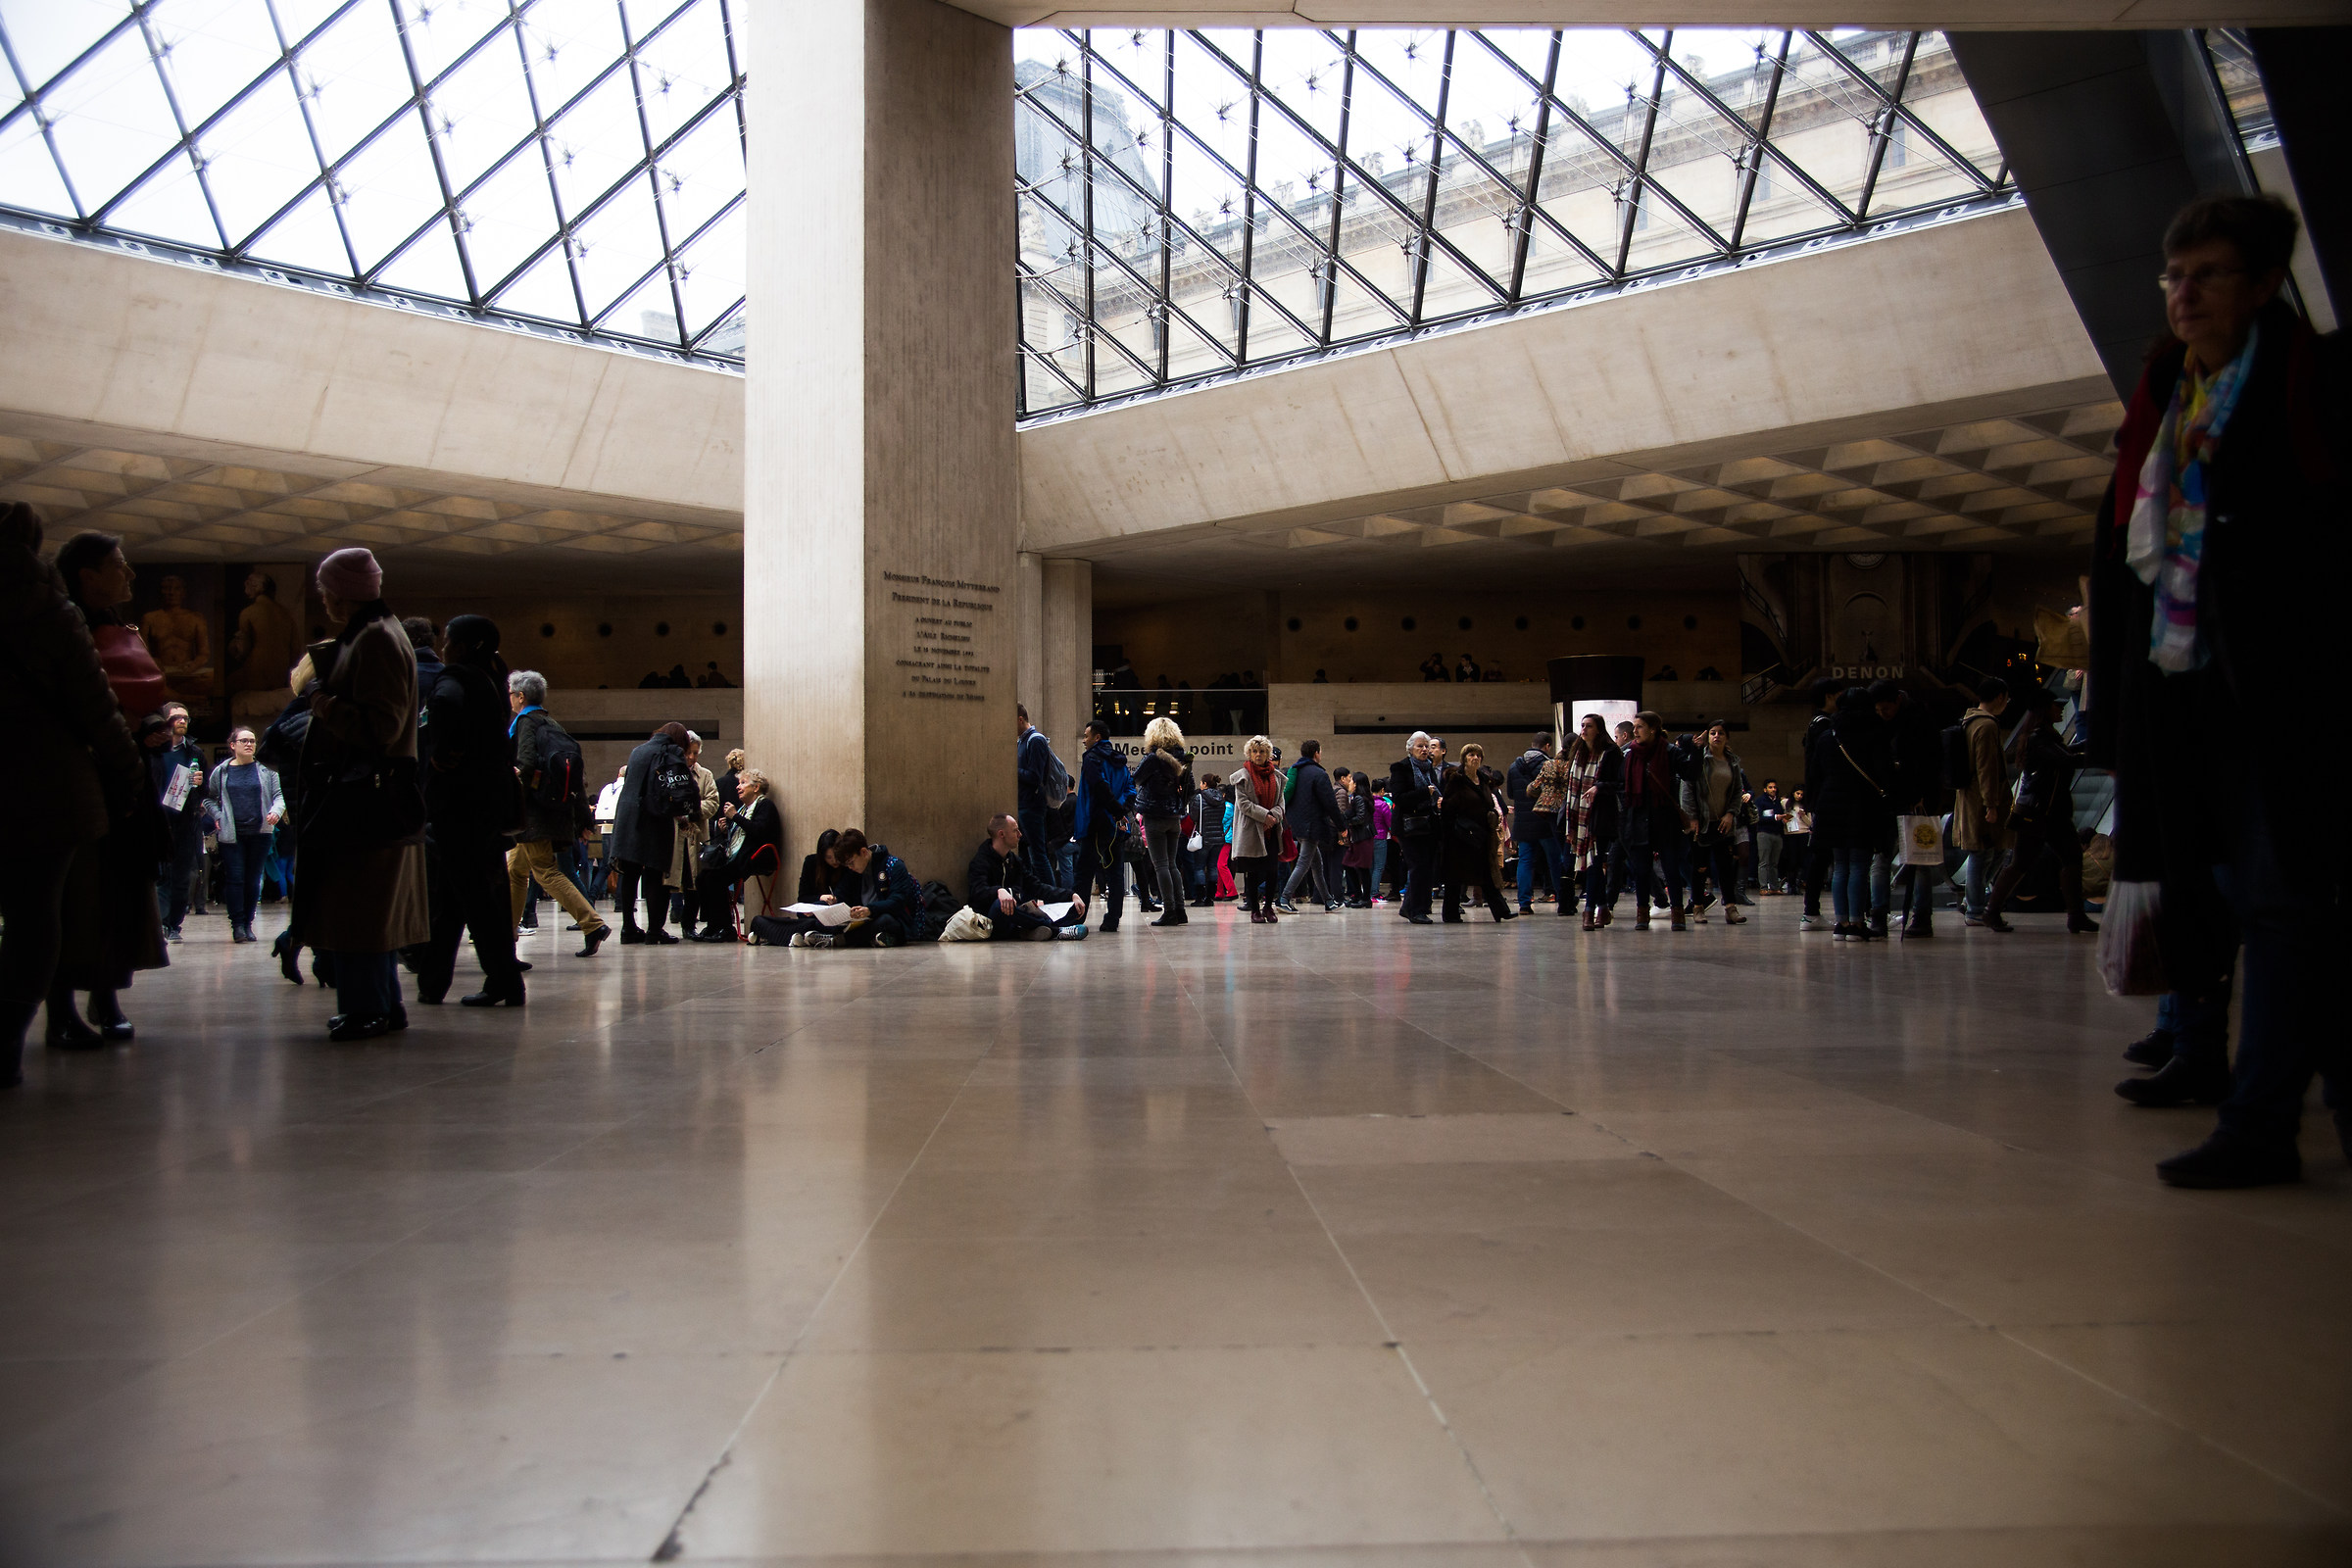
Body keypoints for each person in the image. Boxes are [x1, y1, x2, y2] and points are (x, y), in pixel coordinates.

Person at [2082, 194, 2348, 1188]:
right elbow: (2125, 552)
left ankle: (2260, 1121)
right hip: (2188, 691)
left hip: (2286, 694)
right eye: (2173, 278)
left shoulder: (2310, 388)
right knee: (2241, 892)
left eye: (2208, 277)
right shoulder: (2169, 391)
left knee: (2279, 902)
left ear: (2267, 284)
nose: (2184, 297)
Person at [0, 504, 147, 1085]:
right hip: (45, 788)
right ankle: (5, 1040)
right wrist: (128, 769)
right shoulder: (50, 611)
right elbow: (95, 704)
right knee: (37, 916)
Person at [293, 547, 428, 1041]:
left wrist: (320, 700)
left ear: (341, 594)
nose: (322, 599)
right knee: (368, 906)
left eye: (325, 590)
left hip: (367, 796)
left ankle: (367, 1007)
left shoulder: (374, 640)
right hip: (371, 793)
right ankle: (379, 1004)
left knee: (361, 905)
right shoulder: (376, 633)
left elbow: (381, 724)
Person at [51, 530, 169, 1048]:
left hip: (123, 767)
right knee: (79, 891)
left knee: (118, 883)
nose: (131, 574)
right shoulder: (61, 626)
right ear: (87, 576)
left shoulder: (118, 624)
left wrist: (152, 721)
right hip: (85, 772)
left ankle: (106, 991)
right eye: (119, 565)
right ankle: (65, 1004)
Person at [413, 617, 529, 1005]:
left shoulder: (456, 679)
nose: (443, 647)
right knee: (456, 891)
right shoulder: (494, 679)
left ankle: (504, 981)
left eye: (448, 641)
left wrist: (445, 751)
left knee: (475, 895)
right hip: (488, 800)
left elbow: (442, 708)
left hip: (458, 801)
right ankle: (432, 981)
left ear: (463, 646)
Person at [505, 671, 611, 957]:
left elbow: (524, 766)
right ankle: (507, 936)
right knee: (515, 870)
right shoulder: (553, 724)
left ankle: (593, 924)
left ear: (521, 696)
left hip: (532, 814)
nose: (510, 698)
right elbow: (577, 778)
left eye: (511, 694)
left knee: (546, 871)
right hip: (553, 812)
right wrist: (581, 819)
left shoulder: (525, 722)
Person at [1981, 690, 2097, 936]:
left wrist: (2087, 746)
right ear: (2045, 709)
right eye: (2056, 706)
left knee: (2070, 858)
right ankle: (1991, 911)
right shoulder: (2038, 737)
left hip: (2049, 812)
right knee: (2024, 863)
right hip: (2039, 813)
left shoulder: (2045, 736)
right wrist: (2095, 754)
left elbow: (2065, 752)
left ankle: (2075, 916)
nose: (2061, 710)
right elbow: (2064, 759)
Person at [1812, 688, 1895, 943]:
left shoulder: (1828, 736)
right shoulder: (1874, 734)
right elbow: (1884, 772)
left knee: (1840, 866)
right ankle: (1858, 924)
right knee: (1859, 864)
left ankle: (1841, 922)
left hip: (1830, 806)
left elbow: (1815, 773)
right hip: (1862, 805)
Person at [611, 721, 693, 944]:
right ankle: (655, 930)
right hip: (654, 817)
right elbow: (673, 788)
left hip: (628, 816)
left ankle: (628, 929)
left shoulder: (638, 750)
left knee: (629, 874)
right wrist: (682, 812)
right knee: (656, 875)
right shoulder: (671, 751)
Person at [201, 727, 284, 945]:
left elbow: (279, 796)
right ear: (233, 745)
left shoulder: (267, 772)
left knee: (253, 881)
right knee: (235, 879)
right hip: (232, 836)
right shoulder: (221, 771)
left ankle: (248, 923)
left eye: (252, 741)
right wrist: (218, 815)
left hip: (260, 833)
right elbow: (208, 799)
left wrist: (275, 811)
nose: (249, 744)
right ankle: (237, 925)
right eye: (244, 741)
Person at [1618, 711, 1690, 931]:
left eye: (1639, 727)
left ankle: (1677, 913)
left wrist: (1694, 751)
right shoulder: (1630, 755)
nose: (1635, 731)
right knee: (1642, 870)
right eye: (1634, 727)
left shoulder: (1670, 752)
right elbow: (1622, 786)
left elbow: (1690, 774)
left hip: (1665, 818)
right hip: (1638, 818)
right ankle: (1642, 914)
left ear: (1653, 729)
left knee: (1670, 868)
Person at [966, 813, 1087, 940]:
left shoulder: (1014, 861)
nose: (1020, 834)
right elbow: (977, 892)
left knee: (1073, 909)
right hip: (991, 921)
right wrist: (999, 891)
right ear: (1001, 834)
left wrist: (1070, 895)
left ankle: (1026, 931)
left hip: (1016, 916)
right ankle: (1056, 931)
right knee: (1000, 906)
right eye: (1015, 831)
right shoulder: (981, 860)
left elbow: (1037, 886)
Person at [1951, 677, 2013, 925]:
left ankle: (1973, 901)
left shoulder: (1968, 721)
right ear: (2000, 697)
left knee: (1992, 850)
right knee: (1983, 852)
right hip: (1982, 801)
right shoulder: (1987, 726)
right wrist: (1991, 804)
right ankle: (1976, 908)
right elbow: (1986, 767)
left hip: (1969, 798)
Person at [1560, 712, 1624, 930]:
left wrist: (1600, 786)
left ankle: (1589, 911)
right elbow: (1571, 790)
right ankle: (1603, 907)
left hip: (1601, 815)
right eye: (1582, 725)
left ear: (1599, 729)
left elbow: (1620, 783)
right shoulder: (1578, 753)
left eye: (1589, 726)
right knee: (1589, 864)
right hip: (1579, 816)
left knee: (1594, 861)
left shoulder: (1611, 752)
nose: (1584, 729)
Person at [1438, 744, 1513, 922]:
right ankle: (1450, 914)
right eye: (1471, 755)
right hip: (1460, 836)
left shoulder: (1483, 779)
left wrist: (1492, 815)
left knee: (1486, 873)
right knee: (1455, 877)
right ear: (1464, 758)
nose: (1475, 758)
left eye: (1478, 755)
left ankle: (1501, 910)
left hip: (1481, 834)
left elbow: (1489, 804)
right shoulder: (1456, 779)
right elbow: (1448, 807)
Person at [149, 702, 206, 940]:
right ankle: (160, 923)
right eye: (176, 717)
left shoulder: (195, 753)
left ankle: (174, 925)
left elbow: (204, 791)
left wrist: (200, 787)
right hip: (158, 820)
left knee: (183, 875)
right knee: (161, 875)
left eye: (185, 718)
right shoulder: (154, 751)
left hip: (185, 820)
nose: (182, 721)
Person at [1071, 719, 1133, 934]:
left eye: (1086, 736)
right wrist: (1121, 812)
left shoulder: (1091, 758)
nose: (1084, 741)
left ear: (1097, 737)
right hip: (1116, 827)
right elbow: (1131, 789)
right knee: (1115, 873)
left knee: (1084, 873)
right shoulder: (1120, 762)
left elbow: (1098, 787)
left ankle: (1075, 920)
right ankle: (1112, 920)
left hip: (1095, 823)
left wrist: (1114, 811)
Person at [1132, 716, 1194, 928]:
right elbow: (1190, 788)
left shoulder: (1153, 758)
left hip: (1154, 816)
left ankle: (1169, 911)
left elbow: (1136, 778)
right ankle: (1180, 910)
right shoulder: (1183, 757)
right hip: (1173, 817)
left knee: (1161, 866)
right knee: (1172, 864)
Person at [1689, 722, 1751, 927]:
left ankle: (1730, 908)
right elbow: (1687, 788)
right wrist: (1692, 817)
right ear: (1707, 737)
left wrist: (1731, 814)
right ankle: (1698, 906)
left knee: (1725, 867)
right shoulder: (1699, 758)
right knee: (1700, 867)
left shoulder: (1732, 762)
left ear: (1727, 737)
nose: (1717, 736)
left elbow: (1737, 792)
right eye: (1713, 733)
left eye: (1721, 733)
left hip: (1724, 823)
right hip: (1703, 822)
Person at [1228, 736, 1288, 923]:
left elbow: (1281, 803)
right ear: (1249, 753)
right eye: (1254, 751)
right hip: (1251, 831)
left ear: (1268, 754)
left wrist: (1274, 817)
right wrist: (1266, 816)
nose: (1258, 755)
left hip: (1271, 831)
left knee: (1272, 871)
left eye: (1262, 751)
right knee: (1252, 873)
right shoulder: (1242, 776)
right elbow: (1244, 804)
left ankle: (1269, 907)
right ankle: (1255, 909)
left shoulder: (1277, 777)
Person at [226, 568, 300, 720]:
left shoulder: (248, 612)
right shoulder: (286, 614)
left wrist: (233, 649)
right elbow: (295, 650)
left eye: (248, 585)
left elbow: (243, 649)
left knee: (229, 683)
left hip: (256, 675)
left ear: (256, 587)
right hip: (281, 675)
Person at [667, 732, 720, 940]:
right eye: (688, 752)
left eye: (695, 753)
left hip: (695, 837)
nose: (691, 757)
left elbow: (713, 801)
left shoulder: (705, 775)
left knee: (693, 883)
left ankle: (689, 925)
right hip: (673, 837)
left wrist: (691, 812)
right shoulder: (668, 773)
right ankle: (660, 924)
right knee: (670, 880)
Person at [1281, 739, 1343, 914]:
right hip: (1312, 825)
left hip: (1297, 824)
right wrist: (1341, 826)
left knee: (1317, 864)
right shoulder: (1318, 774)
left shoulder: (1296, 771)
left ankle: (1329, 901)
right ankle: (1284, 898)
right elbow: (1330, 803)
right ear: (1316, 753)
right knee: (1304, 863)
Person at [1388, 731, 1444, 924]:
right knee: (1418, 867)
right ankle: (1416, 910)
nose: (1424, 749)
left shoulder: (1429, 768)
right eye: (1420, 746)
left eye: (1426, 746)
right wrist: (1423, 793)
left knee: (1426, 868)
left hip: (1428, 825)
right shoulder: (1400, 768)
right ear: (1410, 748)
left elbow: (1435, 793)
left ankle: (1410, 907)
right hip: (1408, 825)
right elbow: (1399, 798)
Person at [719, 767, 785, 930]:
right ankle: (715, 925)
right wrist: (726, 829)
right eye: (738, 783)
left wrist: (735, 817)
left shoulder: (765, 805)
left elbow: (759, 832)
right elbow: (740, 836)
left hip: (756, 858)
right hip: (743, 857)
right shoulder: (744, 809)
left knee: (716, 879)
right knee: (704, 878)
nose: (737, 787)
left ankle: (724, 927)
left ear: (756, 788)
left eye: (743, 783)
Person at [1510, 732, 1567, 916]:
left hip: (1523, 823)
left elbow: (1511, 793)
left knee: (1525, 861)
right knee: (1555, 860)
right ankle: (1563, 899)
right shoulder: (1549, 765)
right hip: (1544, 820)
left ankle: (1524, 904)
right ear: (1548, 746)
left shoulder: (1513, 767)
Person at [1014, 705, 1066, 883]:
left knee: (1037, 855)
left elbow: (1035, 776)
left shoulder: (1035, 740)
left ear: (1020, 719)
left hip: (1031, 805)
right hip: (1023, 804)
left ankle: (1050, 899)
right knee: (1025, 856)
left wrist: (1012, 769)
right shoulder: (1022, 740)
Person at [1338, 770, 1375, 906]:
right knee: (1348, 864)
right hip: (1360, 837)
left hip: (1362, 837)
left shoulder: (1359, 798)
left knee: (1362, 868)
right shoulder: (1358, 797)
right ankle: (1358, 895)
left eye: (1352, 781)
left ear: (1357, 784)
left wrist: (1347, 822)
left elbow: (1360, 818)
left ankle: (1365, 898)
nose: (1350, 783)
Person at [1193, 772, 1228, 906]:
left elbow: (1194, 816)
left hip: (1203, 837)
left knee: (1199, 867)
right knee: (1213, 866)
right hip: (1218, 837)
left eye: (1201, 783)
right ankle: (1210, 898)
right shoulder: (1221, 798)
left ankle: (1200, 898)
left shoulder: (1199, 798)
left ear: (1205, 784)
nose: (1200, 785)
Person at [1752, 779, 1787, 896]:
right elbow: (1758, 817)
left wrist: (1783, 819)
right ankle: (1763, 886)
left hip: (1777, 833)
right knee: (1764, 862)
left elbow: (1779, 814)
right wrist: (1775, 818)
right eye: (1770, 787)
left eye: (1775, 787)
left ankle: (1774, 886)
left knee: (1774, 863)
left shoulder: (1777, 802)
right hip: (1764, 833)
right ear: (1765, 789)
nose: (1773, 789)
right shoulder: (1760, 801)